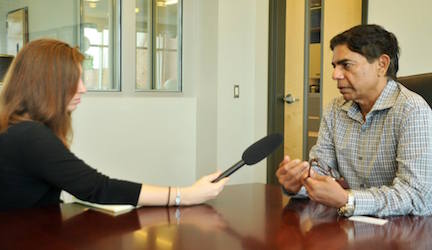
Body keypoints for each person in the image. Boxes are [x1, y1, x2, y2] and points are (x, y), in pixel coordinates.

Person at [0, 39, 229, 211]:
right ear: (47, 85)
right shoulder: (29, 136)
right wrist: (185, 195)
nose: (83, 88)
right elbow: (97, 187)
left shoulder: (17, 128)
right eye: (74, 81)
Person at [276, 24, 432, 217]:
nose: (335, 75)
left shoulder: (412, 110)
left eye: (346, 65)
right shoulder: (335, 109)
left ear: (381, 65)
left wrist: (347, 199)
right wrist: (299, 183)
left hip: (405, 233)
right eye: (335, 66)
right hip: (354, 227)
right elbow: (323, 170)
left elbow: (416, 196)